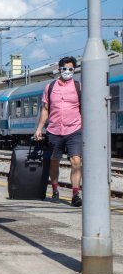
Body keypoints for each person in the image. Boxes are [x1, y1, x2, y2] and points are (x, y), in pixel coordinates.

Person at [34, 56, 83, 207]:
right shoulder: (50, 87)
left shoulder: (78, 86)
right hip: (54, 130)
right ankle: (55, 190)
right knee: (54, 161)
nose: (67, 71)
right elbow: (45, 109)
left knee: (76, 161)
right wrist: (39, 128)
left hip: (74, 129)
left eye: (70, 69)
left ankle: (75, 193)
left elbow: (84, 108)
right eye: (64, 69)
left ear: (74, 70)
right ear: (59, 69)